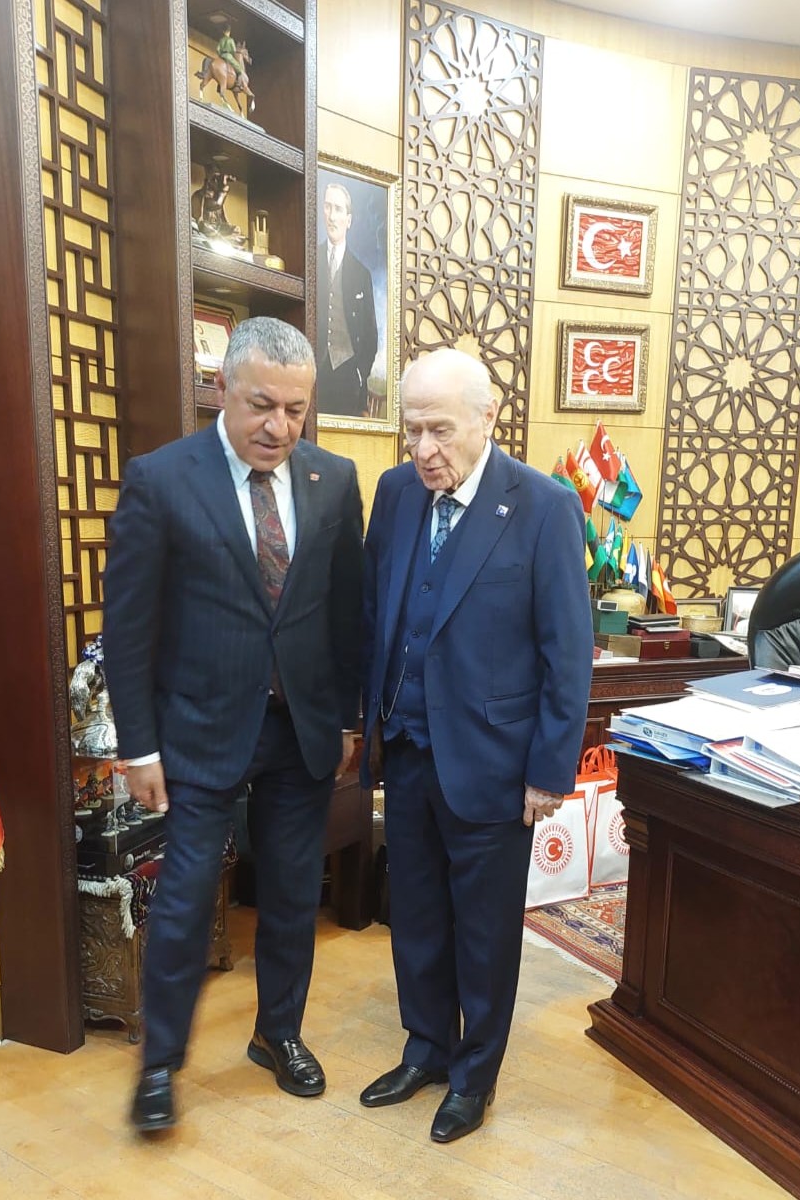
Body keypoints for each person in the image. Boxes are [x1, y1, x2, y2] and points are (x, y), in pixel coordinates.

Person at [103, 316, 364, 1134]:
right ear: (222, 387)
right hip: (200, 732)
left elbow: (346, 612)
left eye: (296, 410)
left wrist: (348, 718)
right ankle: (160, 1063)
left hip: (301, 729)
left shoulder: (333, 479)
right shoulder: (161, 479)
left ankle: (277, 1033)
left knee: (292, 894)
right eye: (262, 405)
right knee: (184, 899)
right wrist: (138, 746)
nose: (279, 427)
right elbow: (129, 628)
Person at [358, 347, 592, 1143]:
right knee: (417, 915)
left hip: (494, 763)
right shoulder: (396, 493)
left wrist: (549, 771)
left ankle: (474, 1076)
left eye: (440, 431)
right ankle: (425, 1048)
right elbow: (377, 613)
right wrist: (367, 724)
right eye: (411, 430)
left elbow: (567, 653)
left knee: (485, 932)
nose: (423, 450)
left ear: (487, 417)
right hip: (407, 749)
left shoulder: (544, 507)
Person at [317, 182, 378, 418]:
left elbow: (370, 335)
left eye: (338, 209)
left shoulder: (362, 274)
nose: (332, 216)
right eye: (327, 207)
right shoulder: (310, 260)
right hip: (314, 374)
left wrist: (361, 373)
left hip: (348, 378)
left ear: (349, 220)